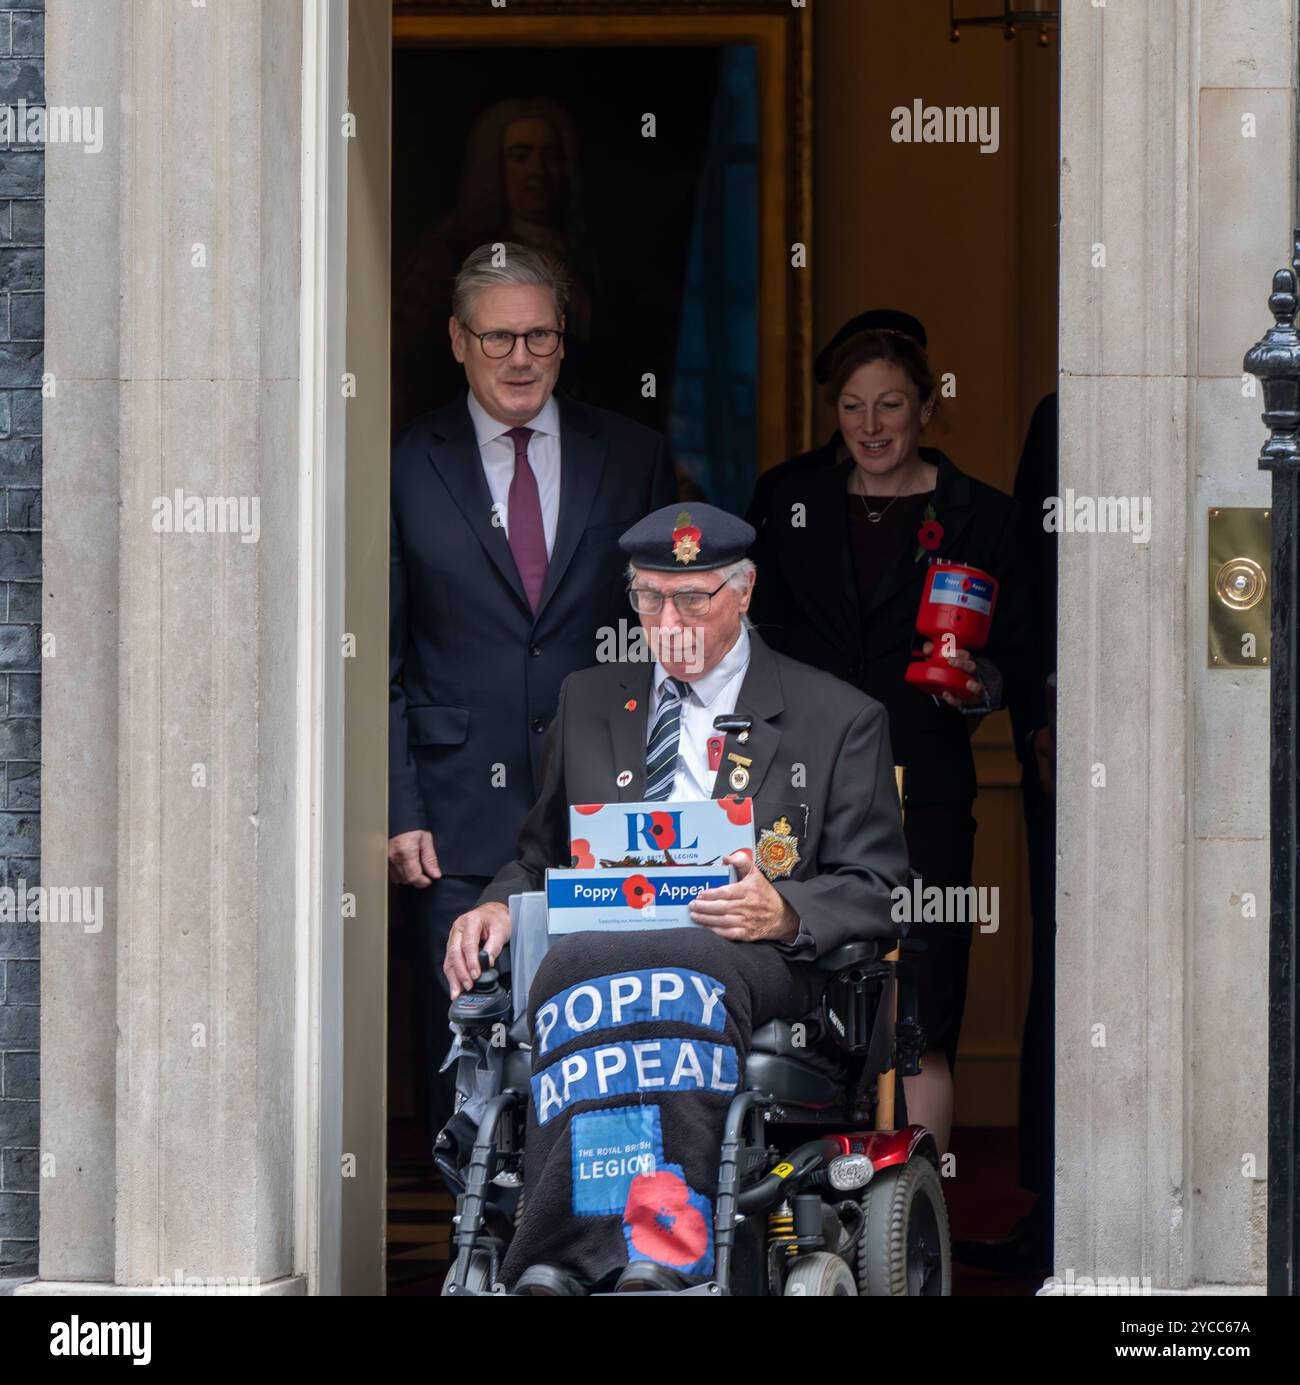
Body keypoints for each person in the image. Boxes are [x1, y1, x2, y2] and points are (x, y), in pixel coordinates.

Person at [445, 503, 910, 1293]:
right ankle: (567, 1252)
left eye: (693, 598)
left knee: (665, 966)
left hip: (752, 953)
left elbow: (877, 890)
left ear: (744, 590)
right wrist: (495, 903)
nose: (670, 620)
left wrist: (787, 911)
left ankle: (665, 1243)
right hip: (599, 941)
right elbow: (539, 857)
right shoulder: (588, 701)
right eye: (651, 598)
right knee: (569, 965)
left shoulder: (838, 717)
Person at [389, 241, 676, 1158]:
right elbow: (381, 656)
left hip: (604, 808)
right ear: (458, 341)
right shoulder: (403, 461)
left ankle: (579, 1251)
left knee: (605, 1050)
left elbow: (665, 643)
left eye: (540, 337)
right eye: (499, 337)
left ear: (563, 341)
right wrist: (400, 809)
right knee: (466, 1054)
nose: (520, 358)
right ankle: (480, 1257)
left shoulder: (629, 454)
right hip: (455, 820)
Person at [746, 324, 1042, 1158]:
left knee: (920, 1007)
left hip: (928, 790)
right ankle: (801, 1218)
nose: (871, 426)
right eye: (852, 407)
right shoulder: (787, 497)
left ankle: (916, 1227)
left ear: (927, 407)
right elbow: (750, 638)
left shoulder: (984, 516)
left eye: (890, 405)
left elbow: (1017, 658)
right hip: (796, 788)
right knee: (798, 985)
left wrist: (979, 685)